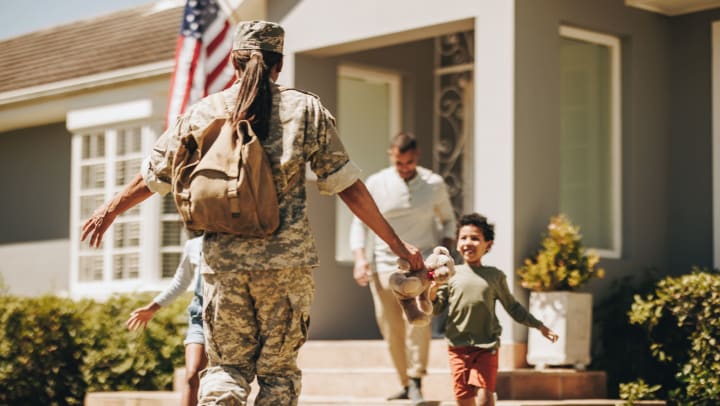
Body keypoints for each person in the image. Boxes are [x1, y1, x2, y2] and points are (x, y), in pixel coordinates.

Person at [81, 20, 423, 406]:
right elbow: (347, 186)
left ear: (233, 62)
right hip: (286, 267)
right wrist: (397, 244)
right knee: (278, 375)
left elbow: (153, 176)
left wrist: (109, 210)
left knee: (226, 370)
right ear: (279, 64)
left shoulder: (203, 111)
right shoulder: (304, 109)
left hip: (222, 266)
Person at [349, 132, 457, 403]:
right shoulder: (376, 182)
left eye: (409, 162)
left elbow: (448, 221)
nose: (404, 167)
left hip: (421, 267)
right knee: (391, 326)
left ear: (416, 157)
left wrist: (443, 250)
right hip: (384, 266)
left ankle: (417, 379)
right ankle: (405, 382)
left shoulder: (434, 183)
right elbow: (359, 224)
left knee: (419, 321)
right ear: (391, 156)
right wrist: (360, 259)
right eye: (399, 162)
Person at [429, 213, 559, 406]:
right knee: (464, 399)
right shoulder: (451, 274)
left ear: (487, 245)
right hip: (457, 347)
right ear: (457, 243)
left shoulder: (495, 276)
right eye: (463, 238)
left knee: (484, 398)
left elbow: (513, 307)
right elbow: (436, 308)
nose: (468, 243)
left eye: (475, 238)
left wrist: (540, 326)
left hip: (486, 346)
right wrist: (432, 291)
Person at [126, 236, 205, 406]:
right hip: (201, 318)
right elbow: (180, 281)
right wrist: (152, 307)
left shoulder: (239, 240)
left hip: (234, 320)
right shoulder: (194, 245)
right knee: (192, 374)